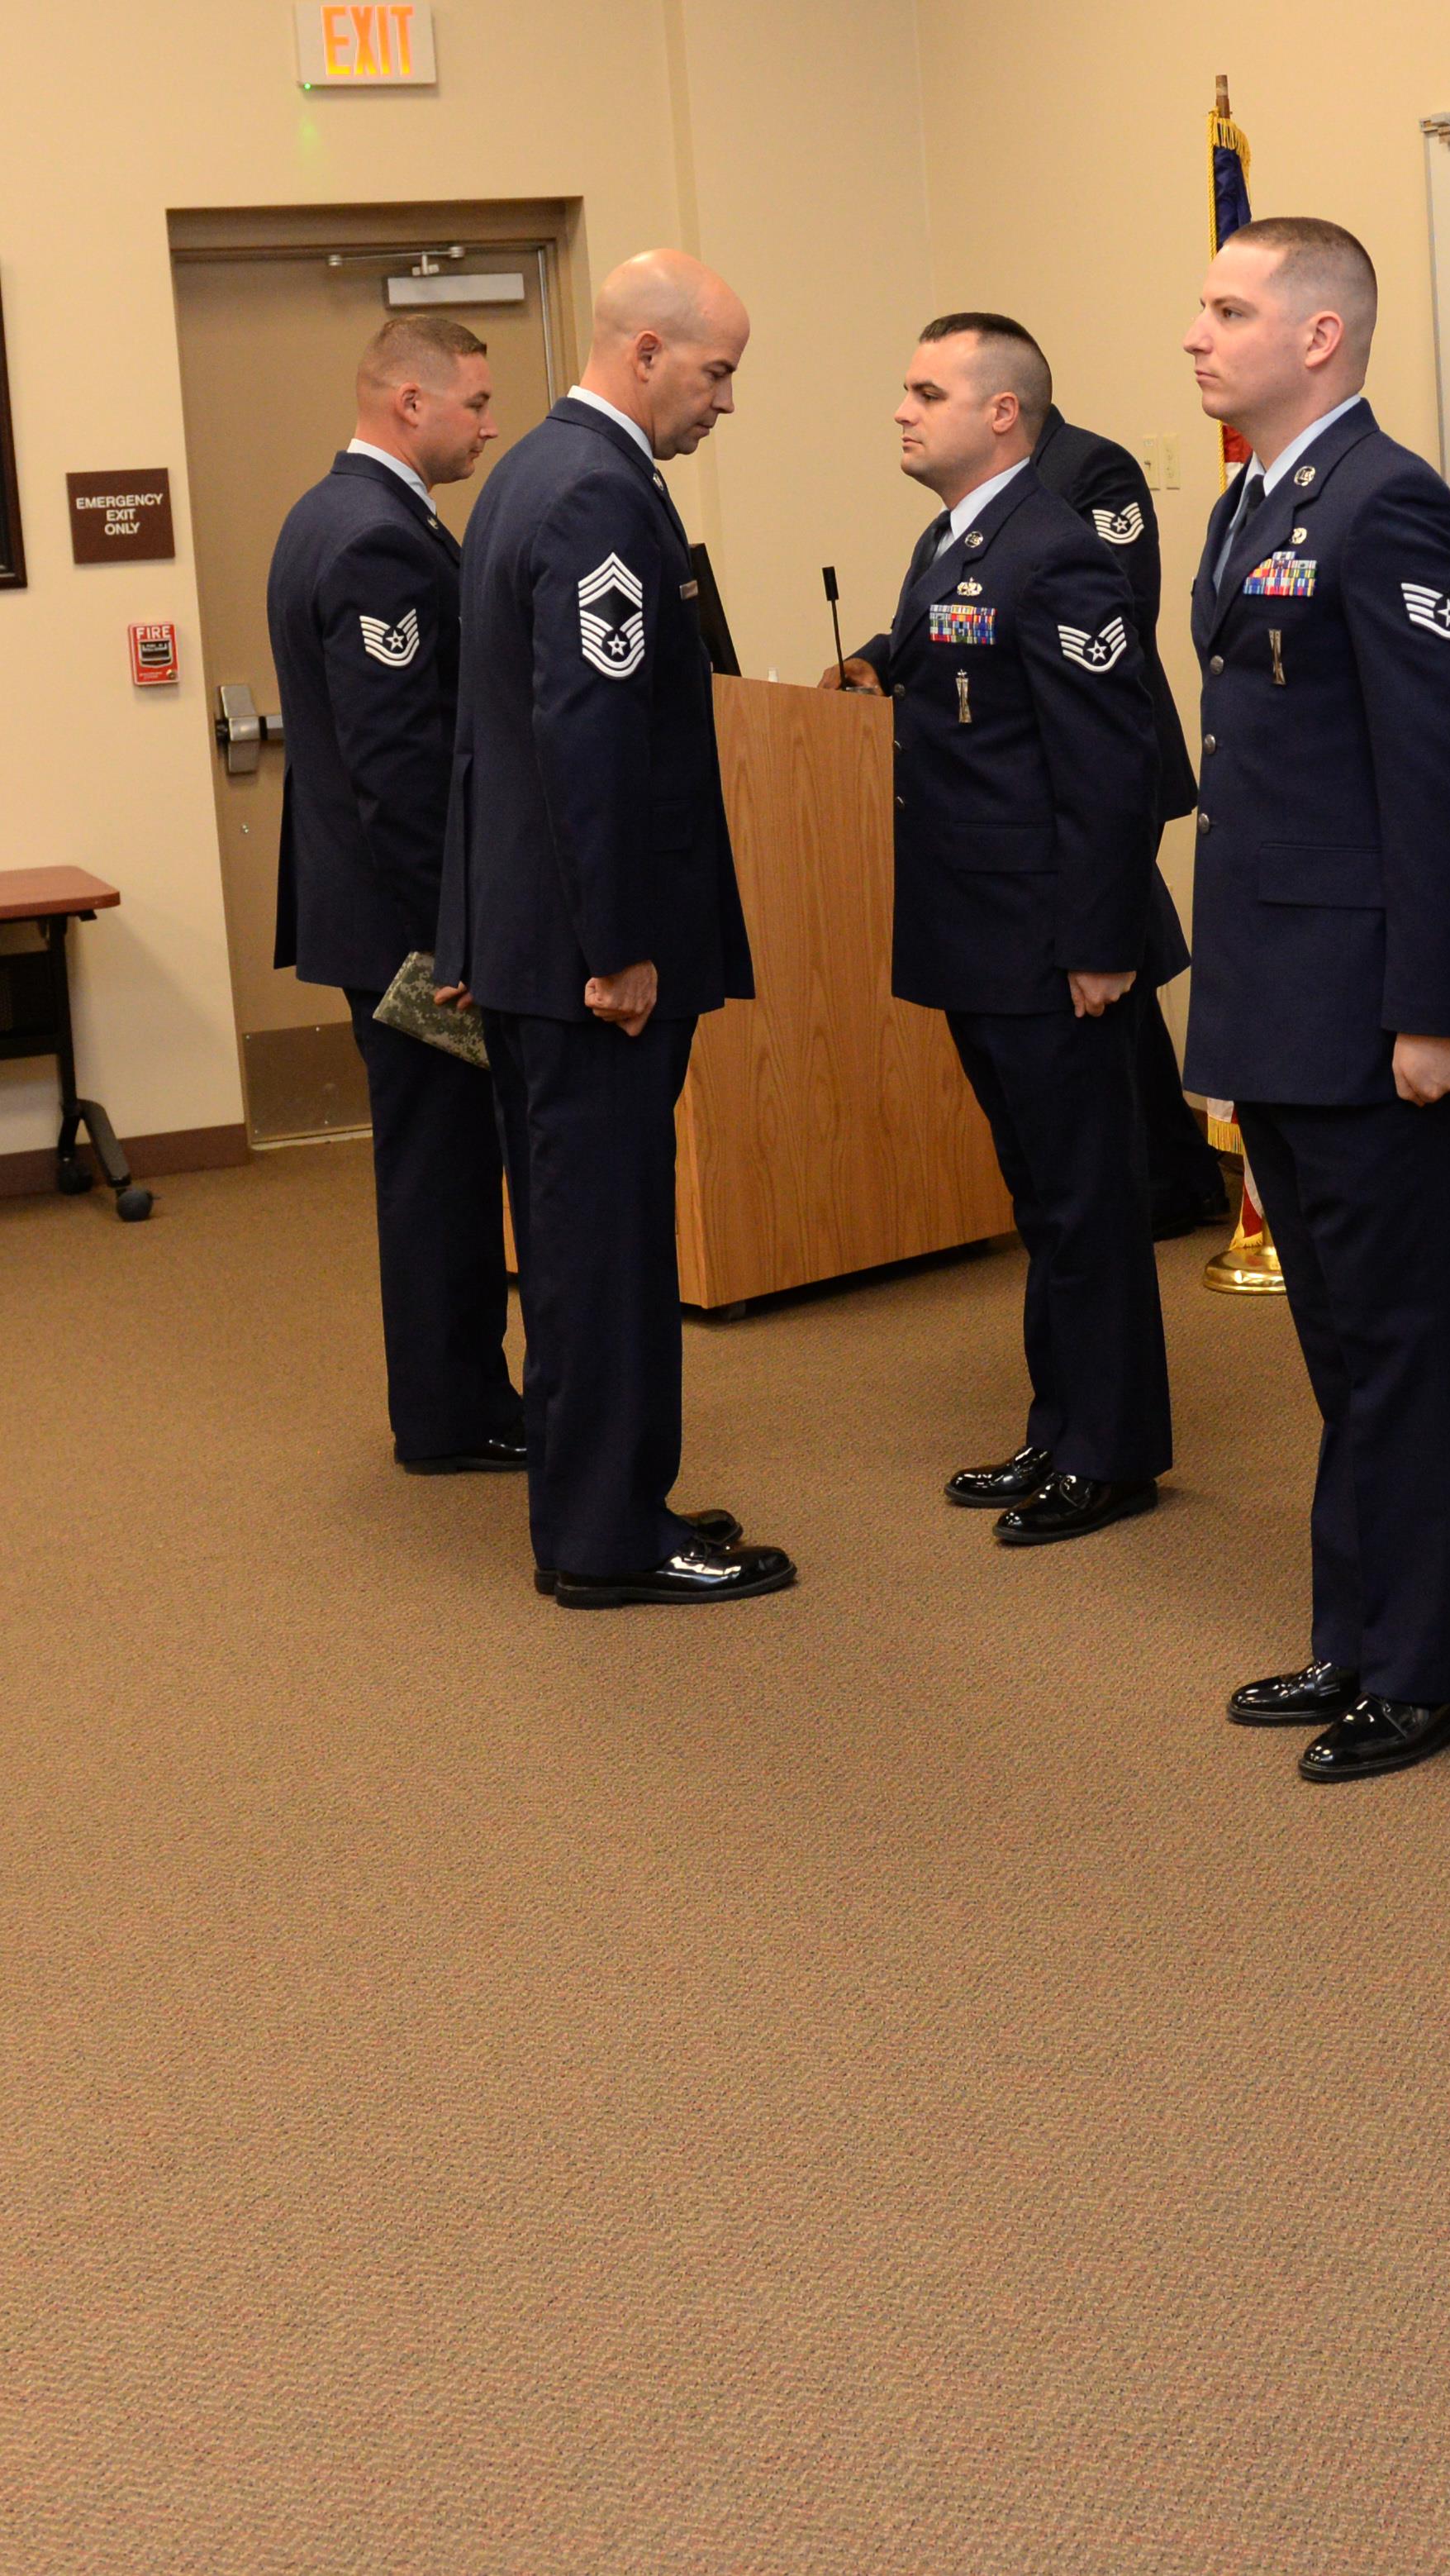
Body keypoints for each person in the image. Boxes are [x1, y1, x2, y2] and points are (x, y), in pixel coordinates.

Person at [1181, 215, 1450, 1783]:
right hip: (1282, 996)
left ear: (1319, 335)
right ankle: (1358, 1630)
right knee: (1337, 1345)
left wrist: (1438, 1007)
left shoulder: (1390, 505)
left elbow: (1443, 775)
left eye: (1228, 308)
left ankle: (1431, 1665)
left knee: (1400, 1348)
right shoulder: (1252, 498)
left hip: (1383, 1010)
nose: (1197, 334)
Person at [437, 250, 792, 1609]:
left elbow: (485, 737)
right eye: (716, 372)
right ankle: (609, 1537)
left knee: (581, 1240)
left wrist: (471, 930)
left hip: (532, 942)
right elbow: (586, 738)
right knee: (608, 1251)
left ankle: (611, 1500)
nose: (725, 402)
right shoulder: (594, 491)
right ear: (647, 352)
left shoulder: (530, 470)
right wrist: (619, 943)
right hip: (588, 961)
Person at [823, 313, 1173, 1545]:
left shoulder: (1057, 551)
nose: (903, 410)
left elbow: (1110, 765)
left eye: (928, 392)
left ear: (1002, 414)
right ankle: (1058, 1427)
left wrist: (1100, 943)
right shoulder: (954, 537)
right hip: (980, 928)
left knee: (1087, 1202)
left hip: (1051, 938)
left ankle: (1111, 1454)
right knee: (1042, 1199)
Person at [266, 315, 518, 1474]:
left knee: (438, 1169)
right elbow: (400, 772)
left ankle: (456, 1400)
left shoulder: (331, 513)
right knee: (441, 1178)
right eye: (476, 401)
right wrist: (449, 944)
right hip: (407, 931)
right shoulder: (376, 538)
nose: (490, 425)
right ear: (411, 403)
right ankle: (452, 1415)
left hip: (377, 919)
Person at [1020, 346, 1234, 1237]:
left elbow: (1117, 606)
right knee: (1113, 969)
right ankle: (1166, 1170)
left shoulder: (1092, 468)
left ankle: (1164, 1174)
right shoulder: (979, 496)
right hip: (1032, 769)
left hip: (1106, 755)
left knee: (1112, 961)